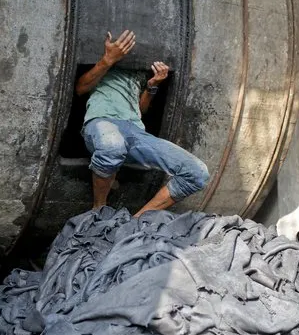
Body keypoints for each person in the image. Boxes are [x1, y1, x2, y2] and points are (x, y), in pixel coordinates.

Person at [76, 29, 210, 217]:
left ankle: (135, 221)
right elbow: (80, 88)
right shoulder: (105, 66)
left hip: (135, 131)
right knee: (113, 146)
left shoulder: (140, 72)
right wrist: (108, 60)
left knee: (197, 172)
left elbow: (141, 109)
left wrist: (152, 85)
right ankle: (98, 210)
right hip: (102, 122)